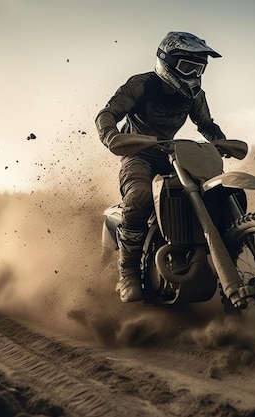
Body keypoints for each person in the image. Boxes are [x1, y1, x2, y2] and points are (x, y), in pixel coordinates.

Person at [95, 31, 227, 302]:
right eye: (187, 67)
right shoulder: (141, 85)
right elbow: (107, 114)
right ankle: (128, 272)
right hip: (138, 156)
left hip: (175, 155)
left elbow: (205, 124)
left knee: (216, 194)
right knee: (139, 196)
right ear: (167, 62)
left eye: (198, 68)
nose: (193, 74)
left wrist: (221, 141)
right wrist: (111, 135)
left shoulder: (194, 95)